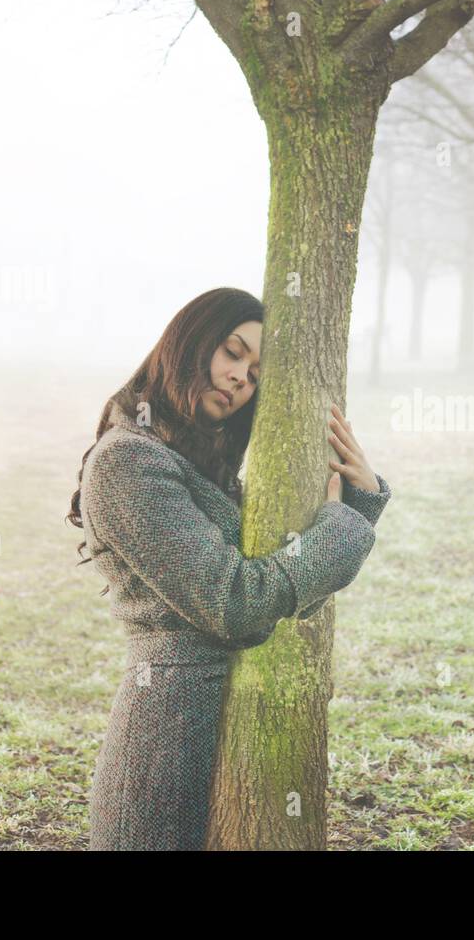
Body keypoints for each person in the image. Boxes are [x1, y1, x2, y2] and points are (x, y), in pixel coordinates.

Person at [65, 287, 391, 850]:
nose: (241, 377)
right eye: (233, 352)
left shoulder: (201, 464)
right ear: (188, 344)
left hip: (235, 732)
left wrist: (359, 502)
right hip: (167, 746)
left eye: (256, 373)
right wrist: (340, 529)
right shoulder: (127, 461)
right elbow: (238, 603)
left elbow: (290, 593)